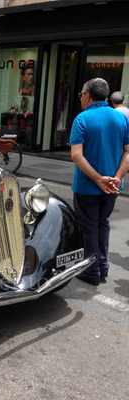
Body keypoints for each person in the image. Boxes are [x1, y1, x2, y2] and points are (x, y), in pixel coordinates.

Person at [70, 78, 129, 286]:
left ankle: (91, 270)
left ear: (87, 95)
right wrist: (118, 177)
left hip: (88, 186)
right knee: (102, 224)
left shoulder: (82, 118)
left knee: (88, 226)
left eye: (81, 95)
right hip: (112, 186)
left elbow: (76, 155)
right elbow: (128, 153)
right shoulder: (121, 118)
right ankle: (102, 266)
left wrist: (97, 178)